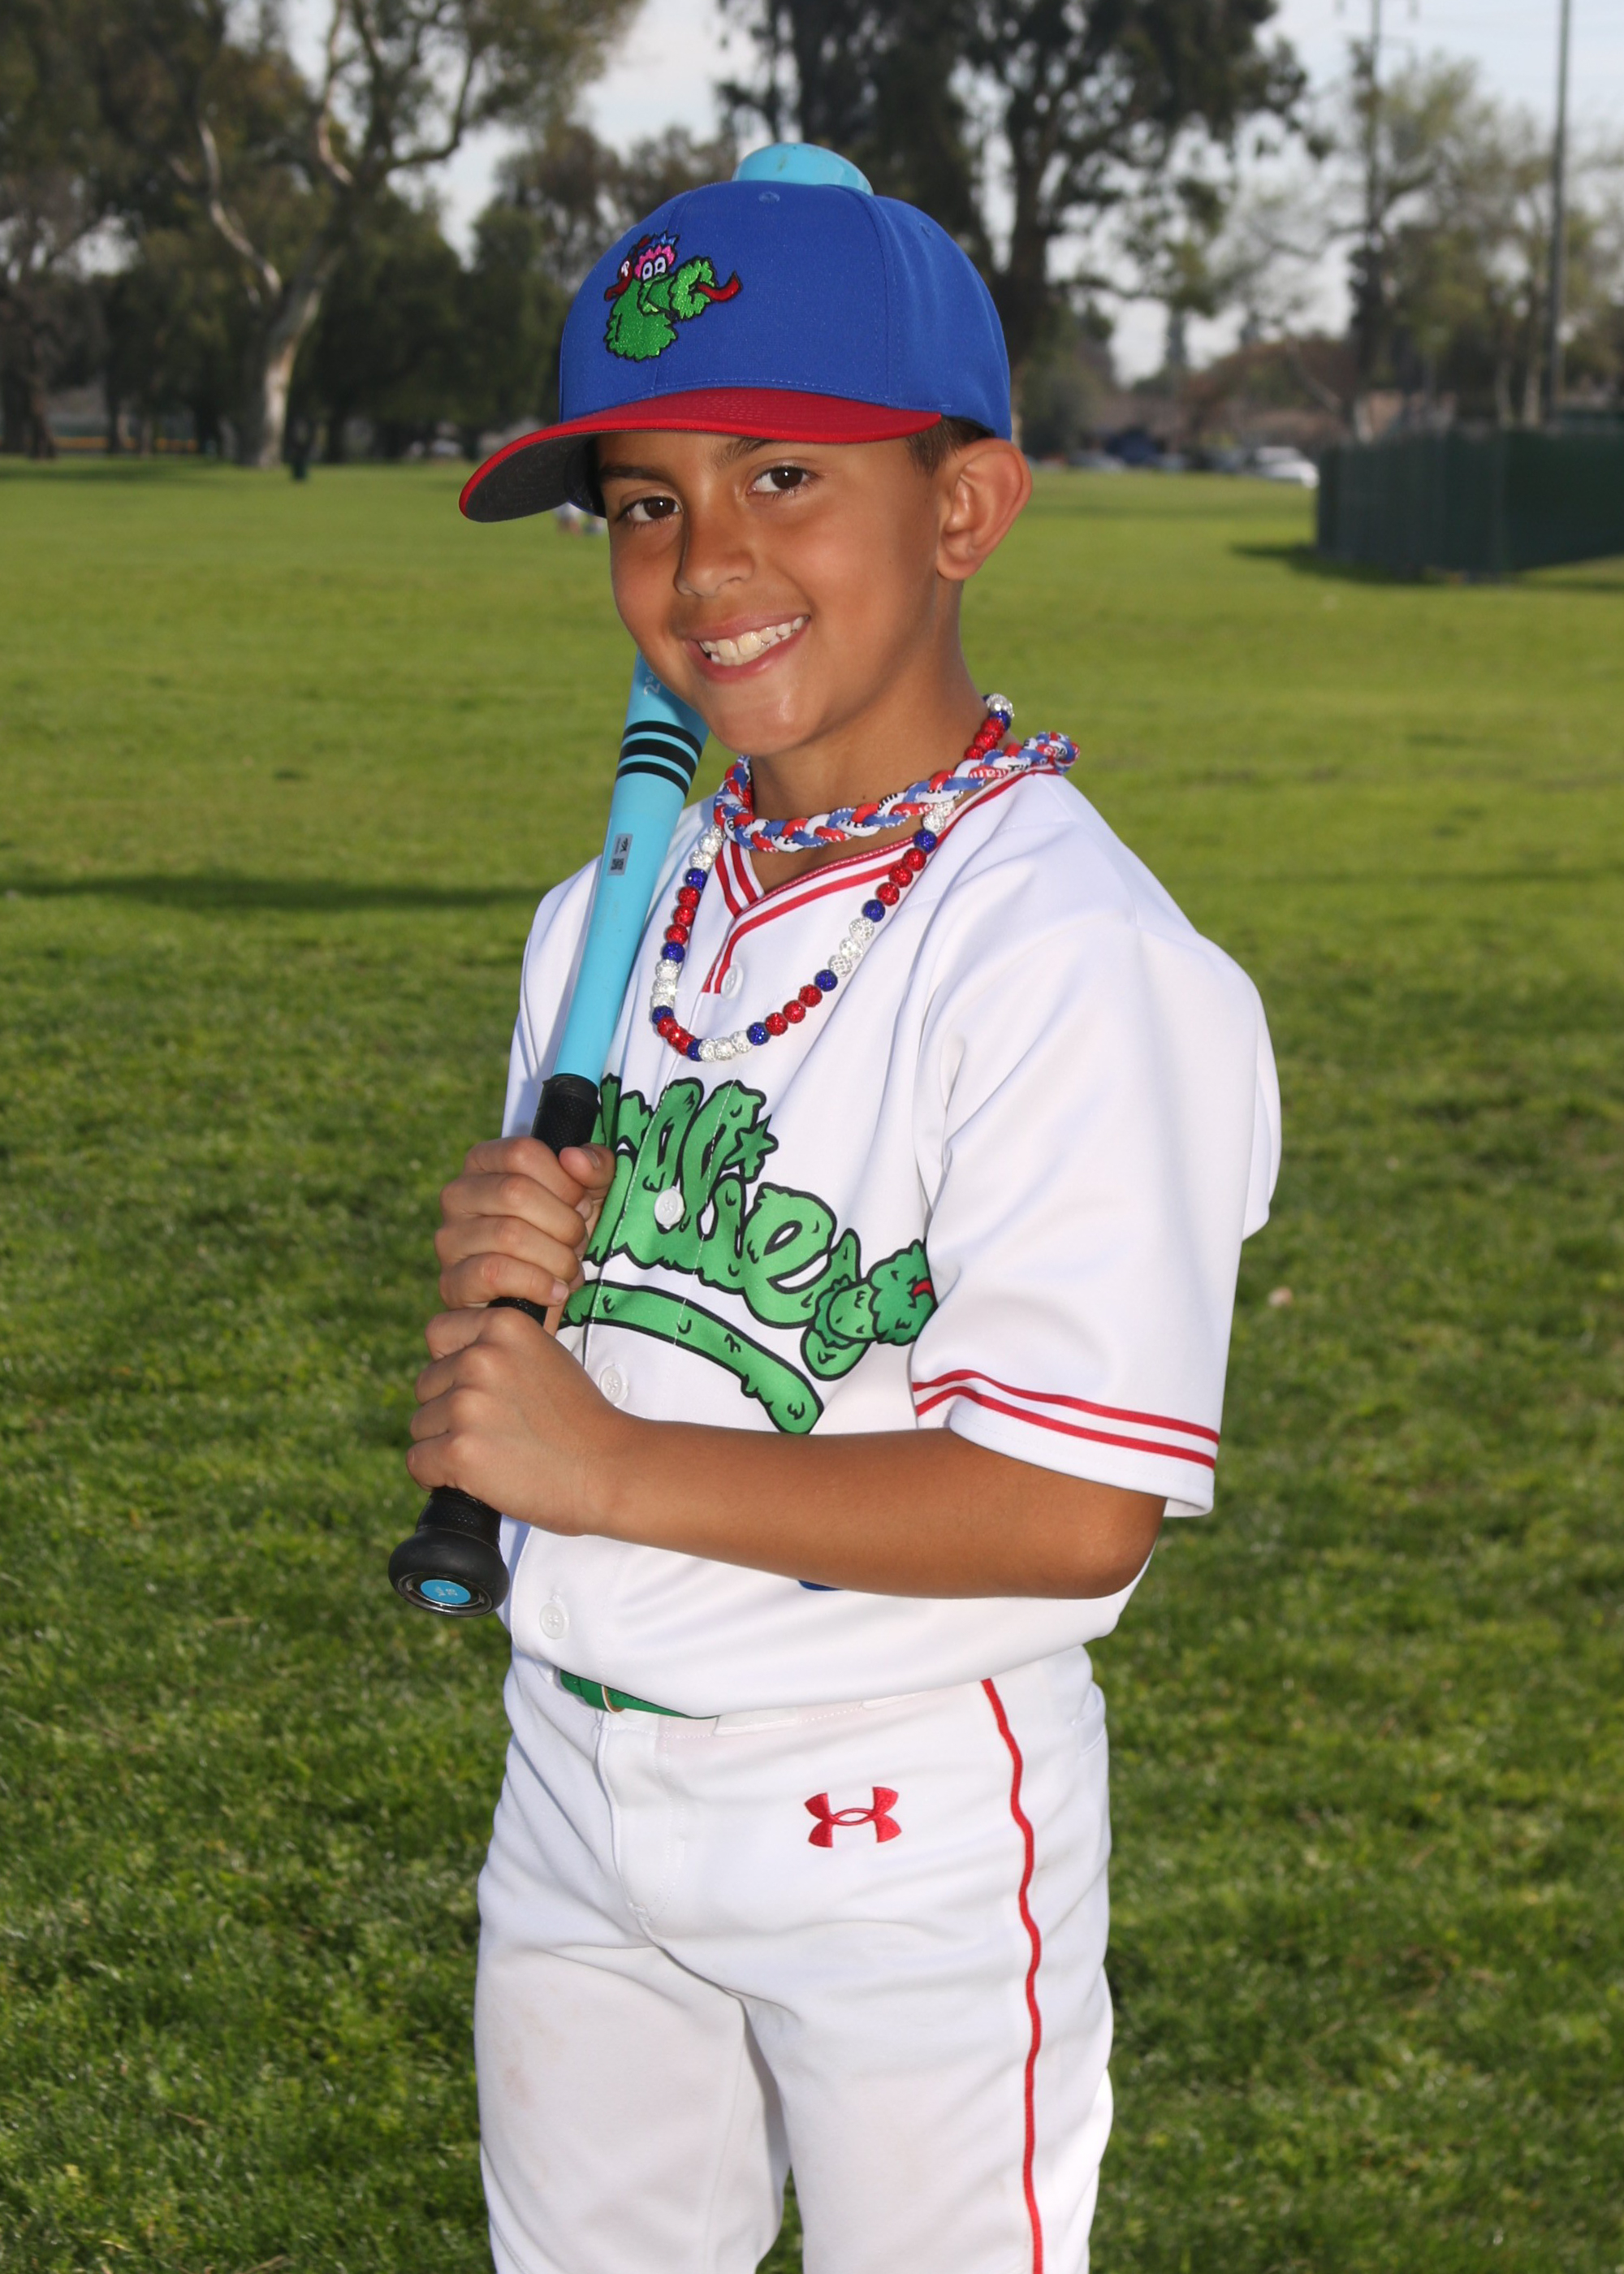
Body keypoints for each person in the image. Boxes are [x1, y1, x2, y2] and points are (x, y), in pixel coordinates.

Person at [408, 149, 1281, 2274]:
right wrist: (526, 1279)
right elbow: (607, 1369)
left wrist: (598, 1468)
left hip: (896, 1827)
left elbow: (1073, 1510)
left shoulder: (1074, 958)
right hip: (577, 1784)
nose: (706, 562)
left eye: (784, 476)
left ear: (965, 507)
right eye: (645, 501)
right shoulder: (604, 921)